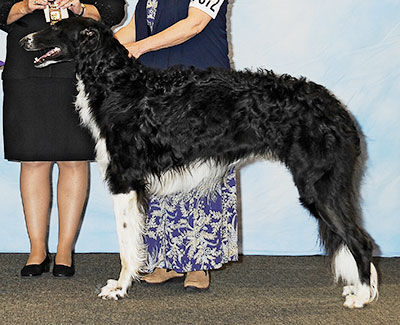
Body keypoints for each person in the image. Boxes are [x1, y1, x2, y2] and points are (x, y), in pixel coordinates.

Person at [115, 0, 238, 290]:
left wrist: (141, 48)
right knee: (158, 173)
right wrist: (94, 45)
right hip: (156, 89)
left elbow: (194, 24)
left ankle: (199, 264)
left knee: (202, 173)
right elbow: (134, 28)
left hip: (203, 89)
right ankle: (165, 259)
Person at [0, 0, 125, 277]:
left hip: (78, 67)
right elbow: (1, 13)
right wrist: (26, 4)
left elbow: (113, 12)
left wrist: (80, 8)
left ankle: (65, 250)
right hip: (26, 65)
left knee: (74, 158)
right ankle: (36, 251)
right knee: (33, 160)